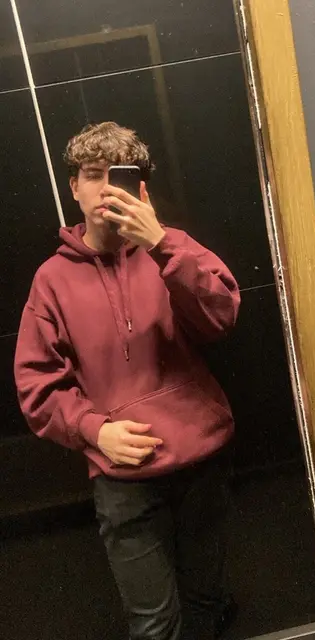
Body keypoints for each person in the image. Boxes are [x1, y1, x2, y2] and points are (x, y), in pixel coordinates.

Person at [14, 121, 240, 640]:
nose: (104, 188)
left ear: (139, 186)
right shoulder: (52, 281)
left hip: (202, 458)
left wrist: (161, 245)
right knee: (154, 626)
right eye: (92, 175)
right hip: (123, 477)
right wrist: (94, 430)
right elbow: (36, 383)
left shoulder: (173, 248)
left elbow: (221, 317)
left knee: (207, 605)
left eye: (117, 175)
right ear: (74, 186)